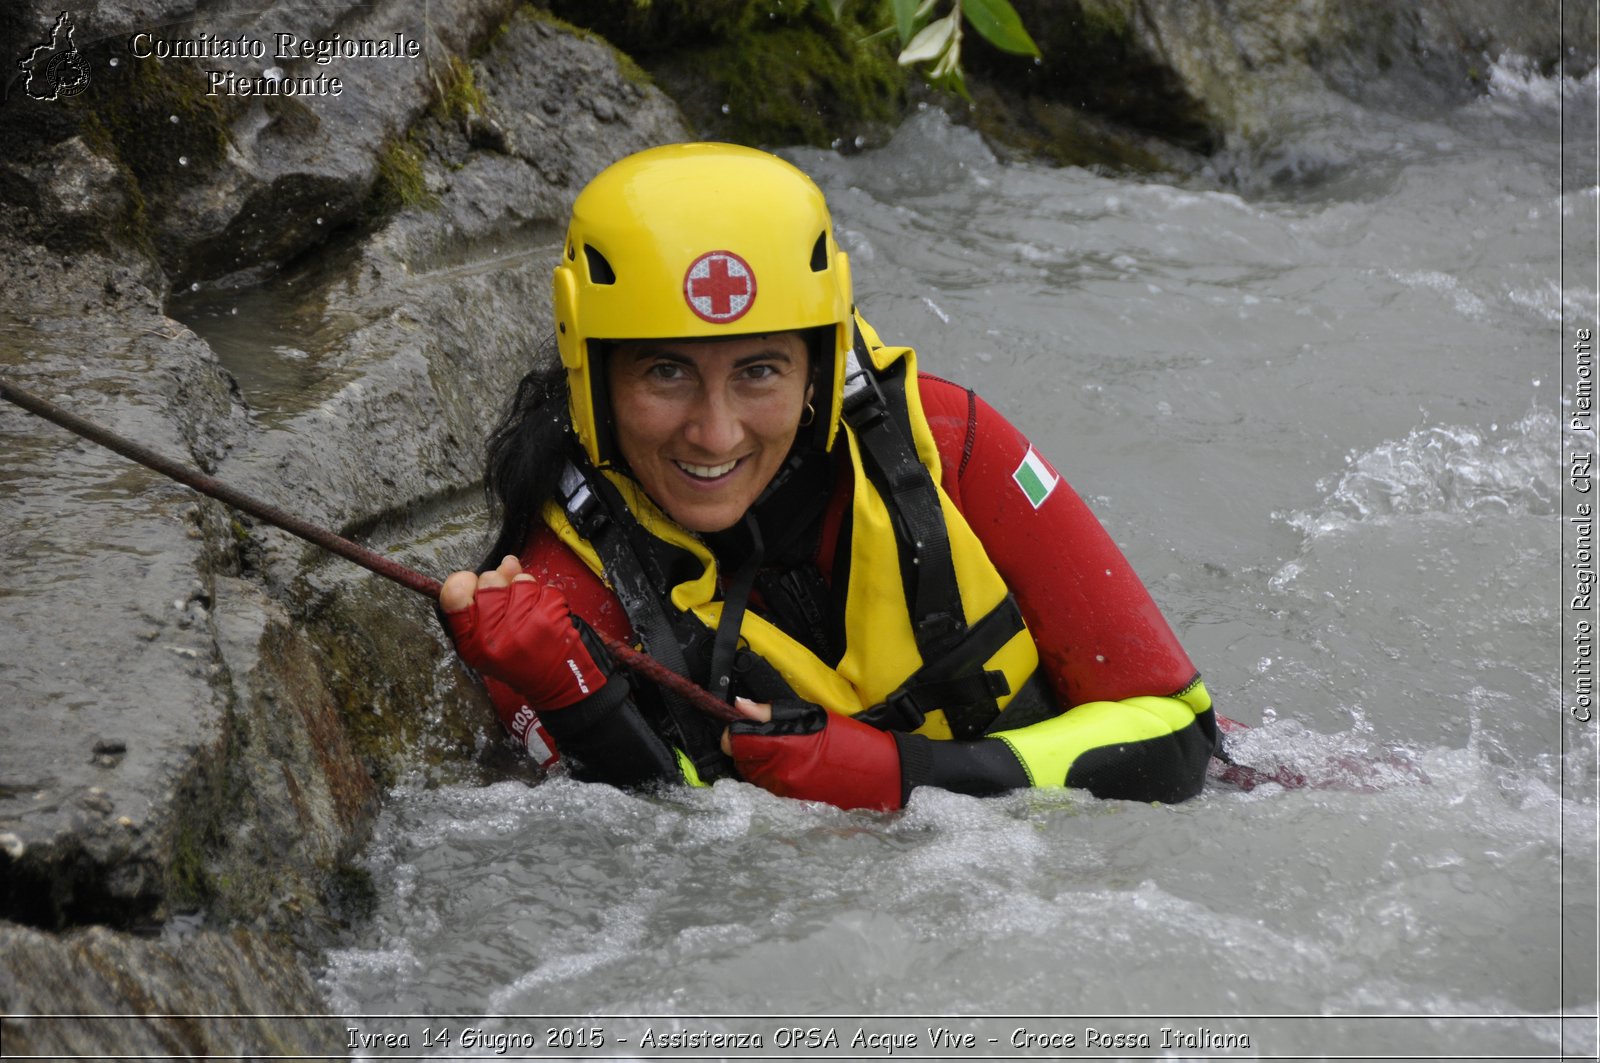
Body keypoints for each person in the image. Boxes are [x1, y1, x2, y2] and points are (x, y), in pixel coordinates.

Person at [439, 142, 1217, 811]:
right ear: (593, 375)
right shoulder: (554, 603)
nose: (716, 431)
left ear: (820, 363)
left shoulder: (948, 443)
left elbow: (1183, 734)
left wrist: (904, 775)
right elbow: (670, 877)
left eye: (760, 371)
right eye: (666, 371)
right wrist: (578, 699)